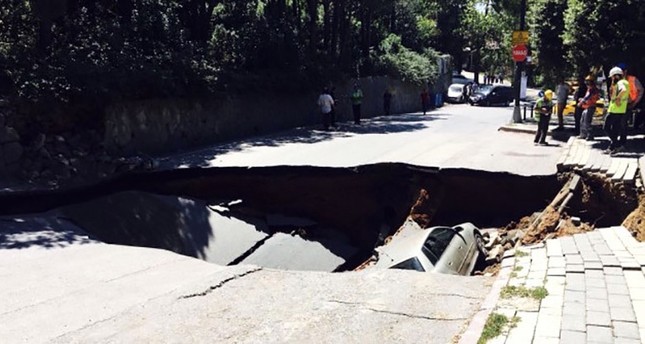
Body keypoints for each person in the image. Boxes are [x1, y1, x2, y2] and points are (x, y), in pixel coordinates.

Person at [604, 66, 631, 153]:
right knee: (615, 129)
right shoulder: (625, 82)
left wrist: (618, 98)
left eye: (612, 76)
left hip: (615, 110)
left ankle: (618, 144)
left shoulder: (621, 83)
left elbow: (623, 90)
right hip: (620, 110)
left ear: (616, 76)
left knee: (606, 127)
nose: (612, 78)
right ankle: (613, 147)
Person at [578, 75, 600, 140]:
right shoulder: (590, 89)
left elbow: (588, 97)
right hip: (587, 107)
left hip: (591, 107)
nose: (586, 83)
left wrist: (581, 102)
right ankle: (583, 134)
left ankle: (590, 135)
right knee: (582, 121)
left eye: (587, 82)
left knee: (587, 122)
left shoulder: (592, 89)